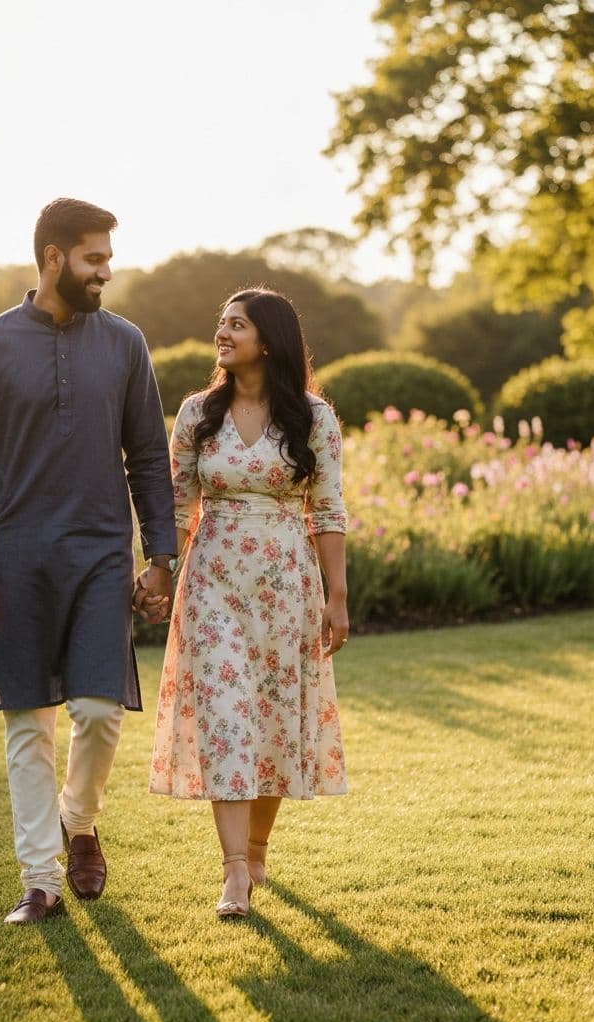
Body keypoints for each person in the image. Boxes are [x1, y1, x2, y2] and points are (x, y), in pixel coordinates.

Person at [0, 198, 176, 924]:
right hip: (14, 553)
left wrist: (160, 554)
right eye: (94, 258)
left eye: (107, 257)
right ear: (53, 258)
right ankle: (39, 880)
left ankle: (81, 819)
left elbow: (148, 456)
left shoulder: (126, 343)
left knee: (100, 711)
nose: (107, 270)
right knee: (26, 723)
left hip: (102, 552)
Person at [149, 288, 349, 918]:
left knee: (271, 721)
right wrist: (158, 571)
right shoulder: (195, 414)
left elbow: (329, 509)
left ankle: (258, 850)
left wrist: (337, 597)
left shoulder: (313, 418)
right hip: (212, 583)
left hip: (287, 585)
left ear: (270, 339)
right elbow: (178, 504)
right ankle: (235, 872)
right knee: (227, 716)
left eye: (237, 324)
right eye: (222, 323)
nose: (223, 332)